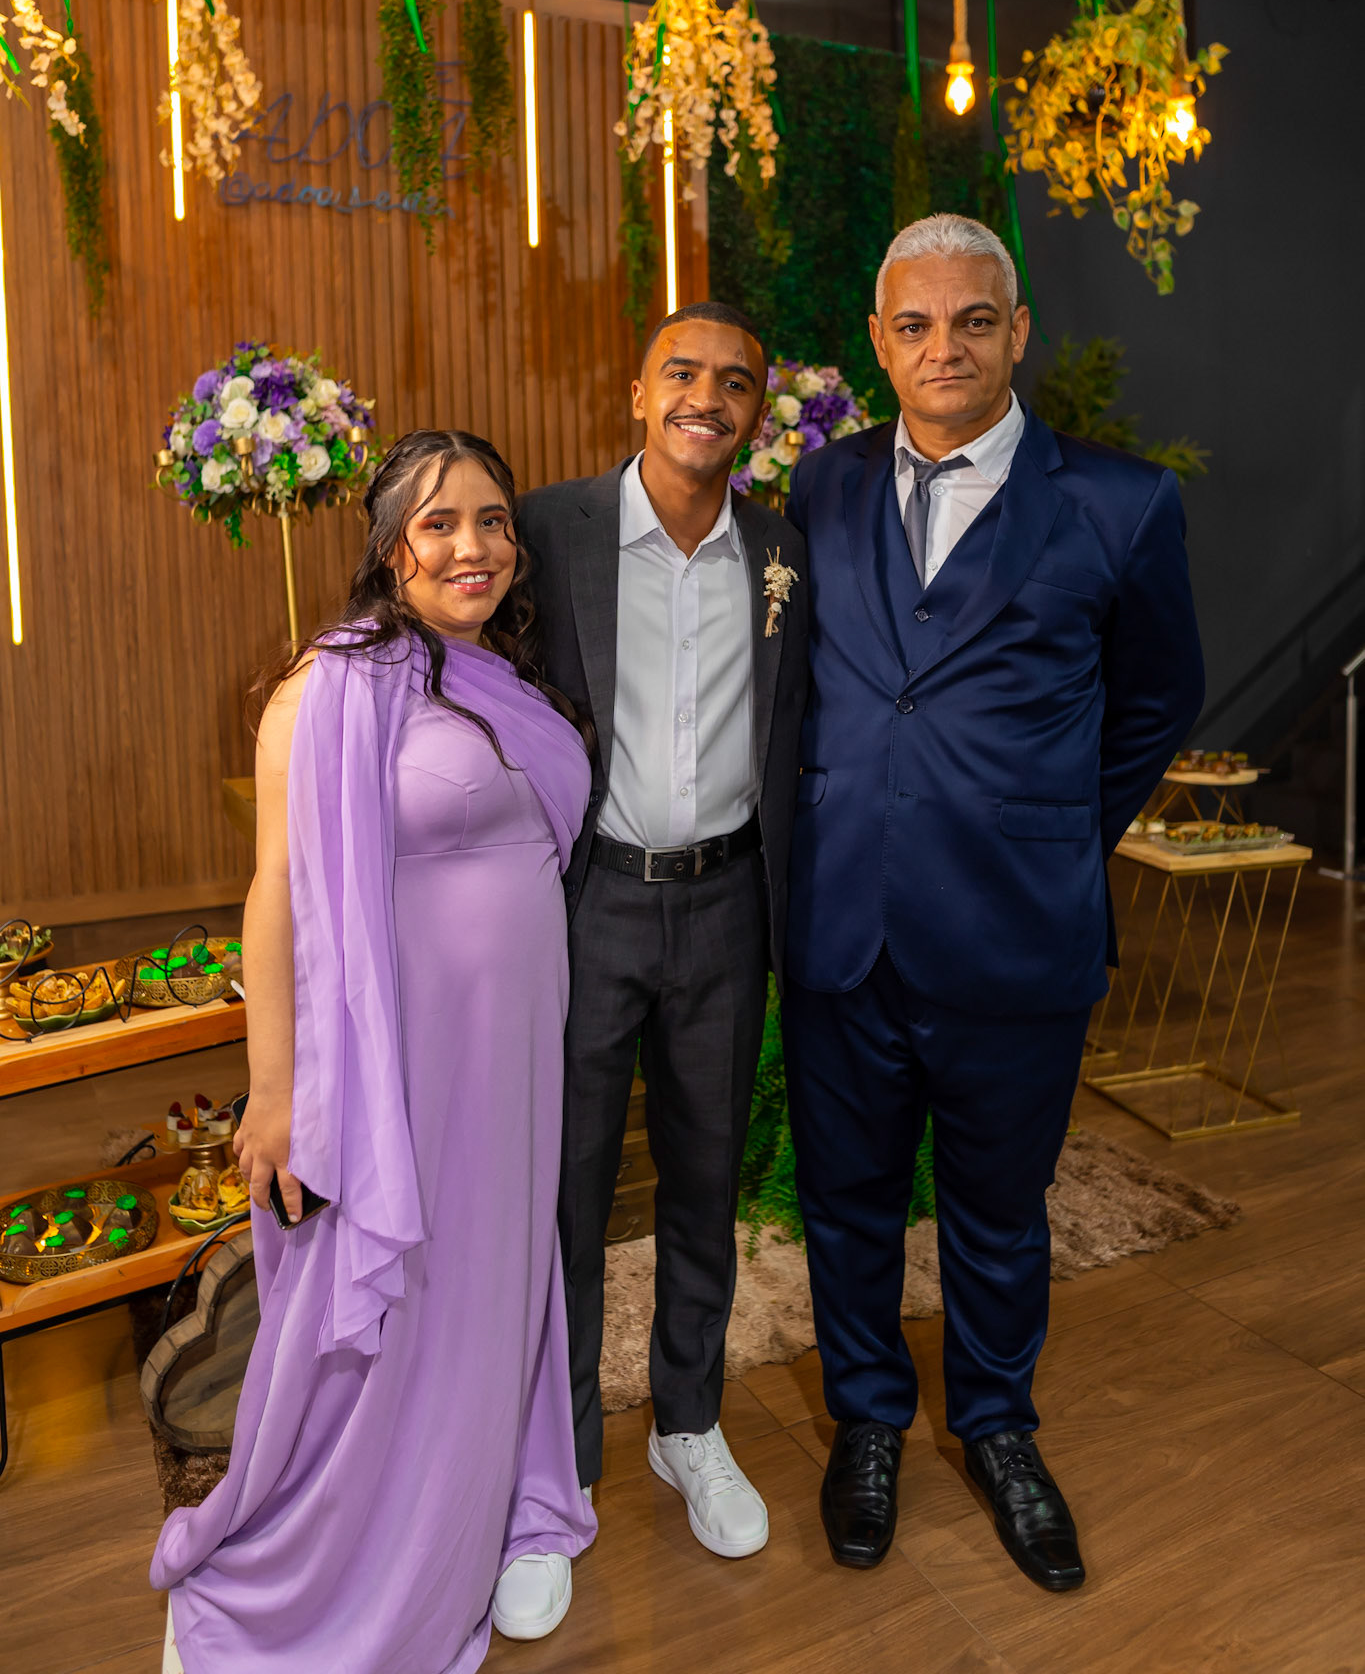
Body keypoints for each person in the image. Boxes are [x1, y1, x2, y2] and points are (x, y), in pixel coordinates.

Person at [783, 215, 1204, 1590]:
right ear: (879, 342)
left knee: (1000, 1212)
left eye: (973, 319)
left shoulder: (1120, 503)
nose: (944, 347)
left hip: (1018, 935)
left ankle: (999, 1427)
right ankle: (866, 1422)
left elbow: (1157, 697)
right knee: (847, 1203)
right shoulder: (822, 486)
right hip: (844, 928)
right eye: (915, 324)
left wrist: (1052, 834)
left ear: (1016, 331)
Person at [152, 430, 597, 1673]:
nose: (474, 545)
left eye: (493, 519)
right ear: (391, 543)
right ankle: (341, 1570)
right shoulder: (333, 681)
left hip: (515, 1051)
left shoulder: (505, 673)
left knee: (500, 1278)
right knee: (403, 1304)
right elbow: (275, 889)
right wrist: (277, 1091)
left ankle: (503, 1497)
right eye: (439, 521)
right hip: (406, 1060)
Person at [516, 300, 807, 1560]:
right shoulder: (548, 529)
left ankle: (687, 1420)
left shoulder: (783, 549)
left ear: (757, 412)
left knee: (703, 1181)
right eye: (681, 372)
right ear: (637, 393)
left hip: (730, 905)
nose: (707, 395)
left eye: (734, 381)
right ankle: (556, 1468)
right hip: (588, 904)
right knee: (566, 1195)